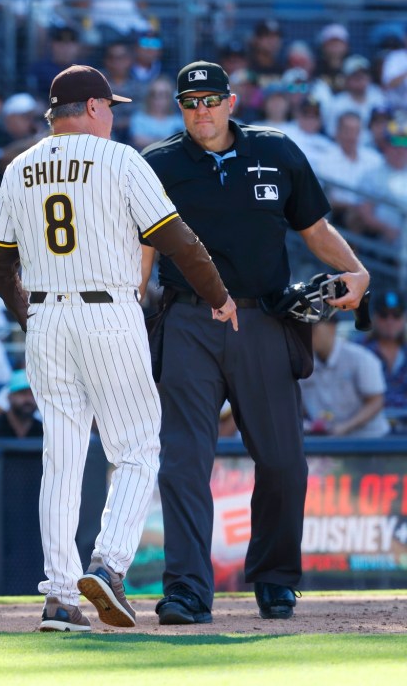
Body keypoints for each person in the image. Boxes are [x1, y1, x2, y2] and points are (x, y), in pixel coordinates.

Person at [0, 64, 237, 632]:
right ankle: (110, 565)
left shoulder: (20, 166)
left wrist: (30, 314)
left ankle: (58, 598)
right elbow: (179, 241)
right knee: (140, 447)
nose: (114, 115)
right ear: (94, 107)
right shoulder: (121, 159)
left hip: (48, 315)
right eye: (111, 106)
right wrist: (219, 296)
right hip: (108, 312)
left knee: (63, 457)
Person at [140, 60, 369, 626]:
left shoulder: (280, 150)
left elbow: (314, 228)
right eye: (191, 103)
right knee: (184, 462)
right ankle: (188, 588)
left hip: (264, 316)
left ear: (232, 101)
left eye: (211, 100)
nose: (203, 111)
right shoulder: (157, 164)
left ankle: (273, 577)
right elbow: (139, 253)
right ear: (180, 109)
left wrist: (356, 270)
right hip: (189, 318)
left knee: (285, 461)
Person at [301, 316, 389, 437]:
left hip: (369, 442)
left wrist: (345, 427)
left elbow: (376, 401)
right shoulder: (303, 363)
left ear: (332, 327)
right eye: (304, 329)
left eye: (313, 328)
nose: (308, 334)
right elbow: (301, 408)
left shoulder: (360, 358)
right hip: (326, 444)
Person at [360, 290, 407, 432]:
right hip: (367, 428)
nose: (390, 321)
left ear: (404, 318)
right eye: (384, 315)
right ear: (374, 317)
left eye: (396, 315)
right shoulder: (359, 351)